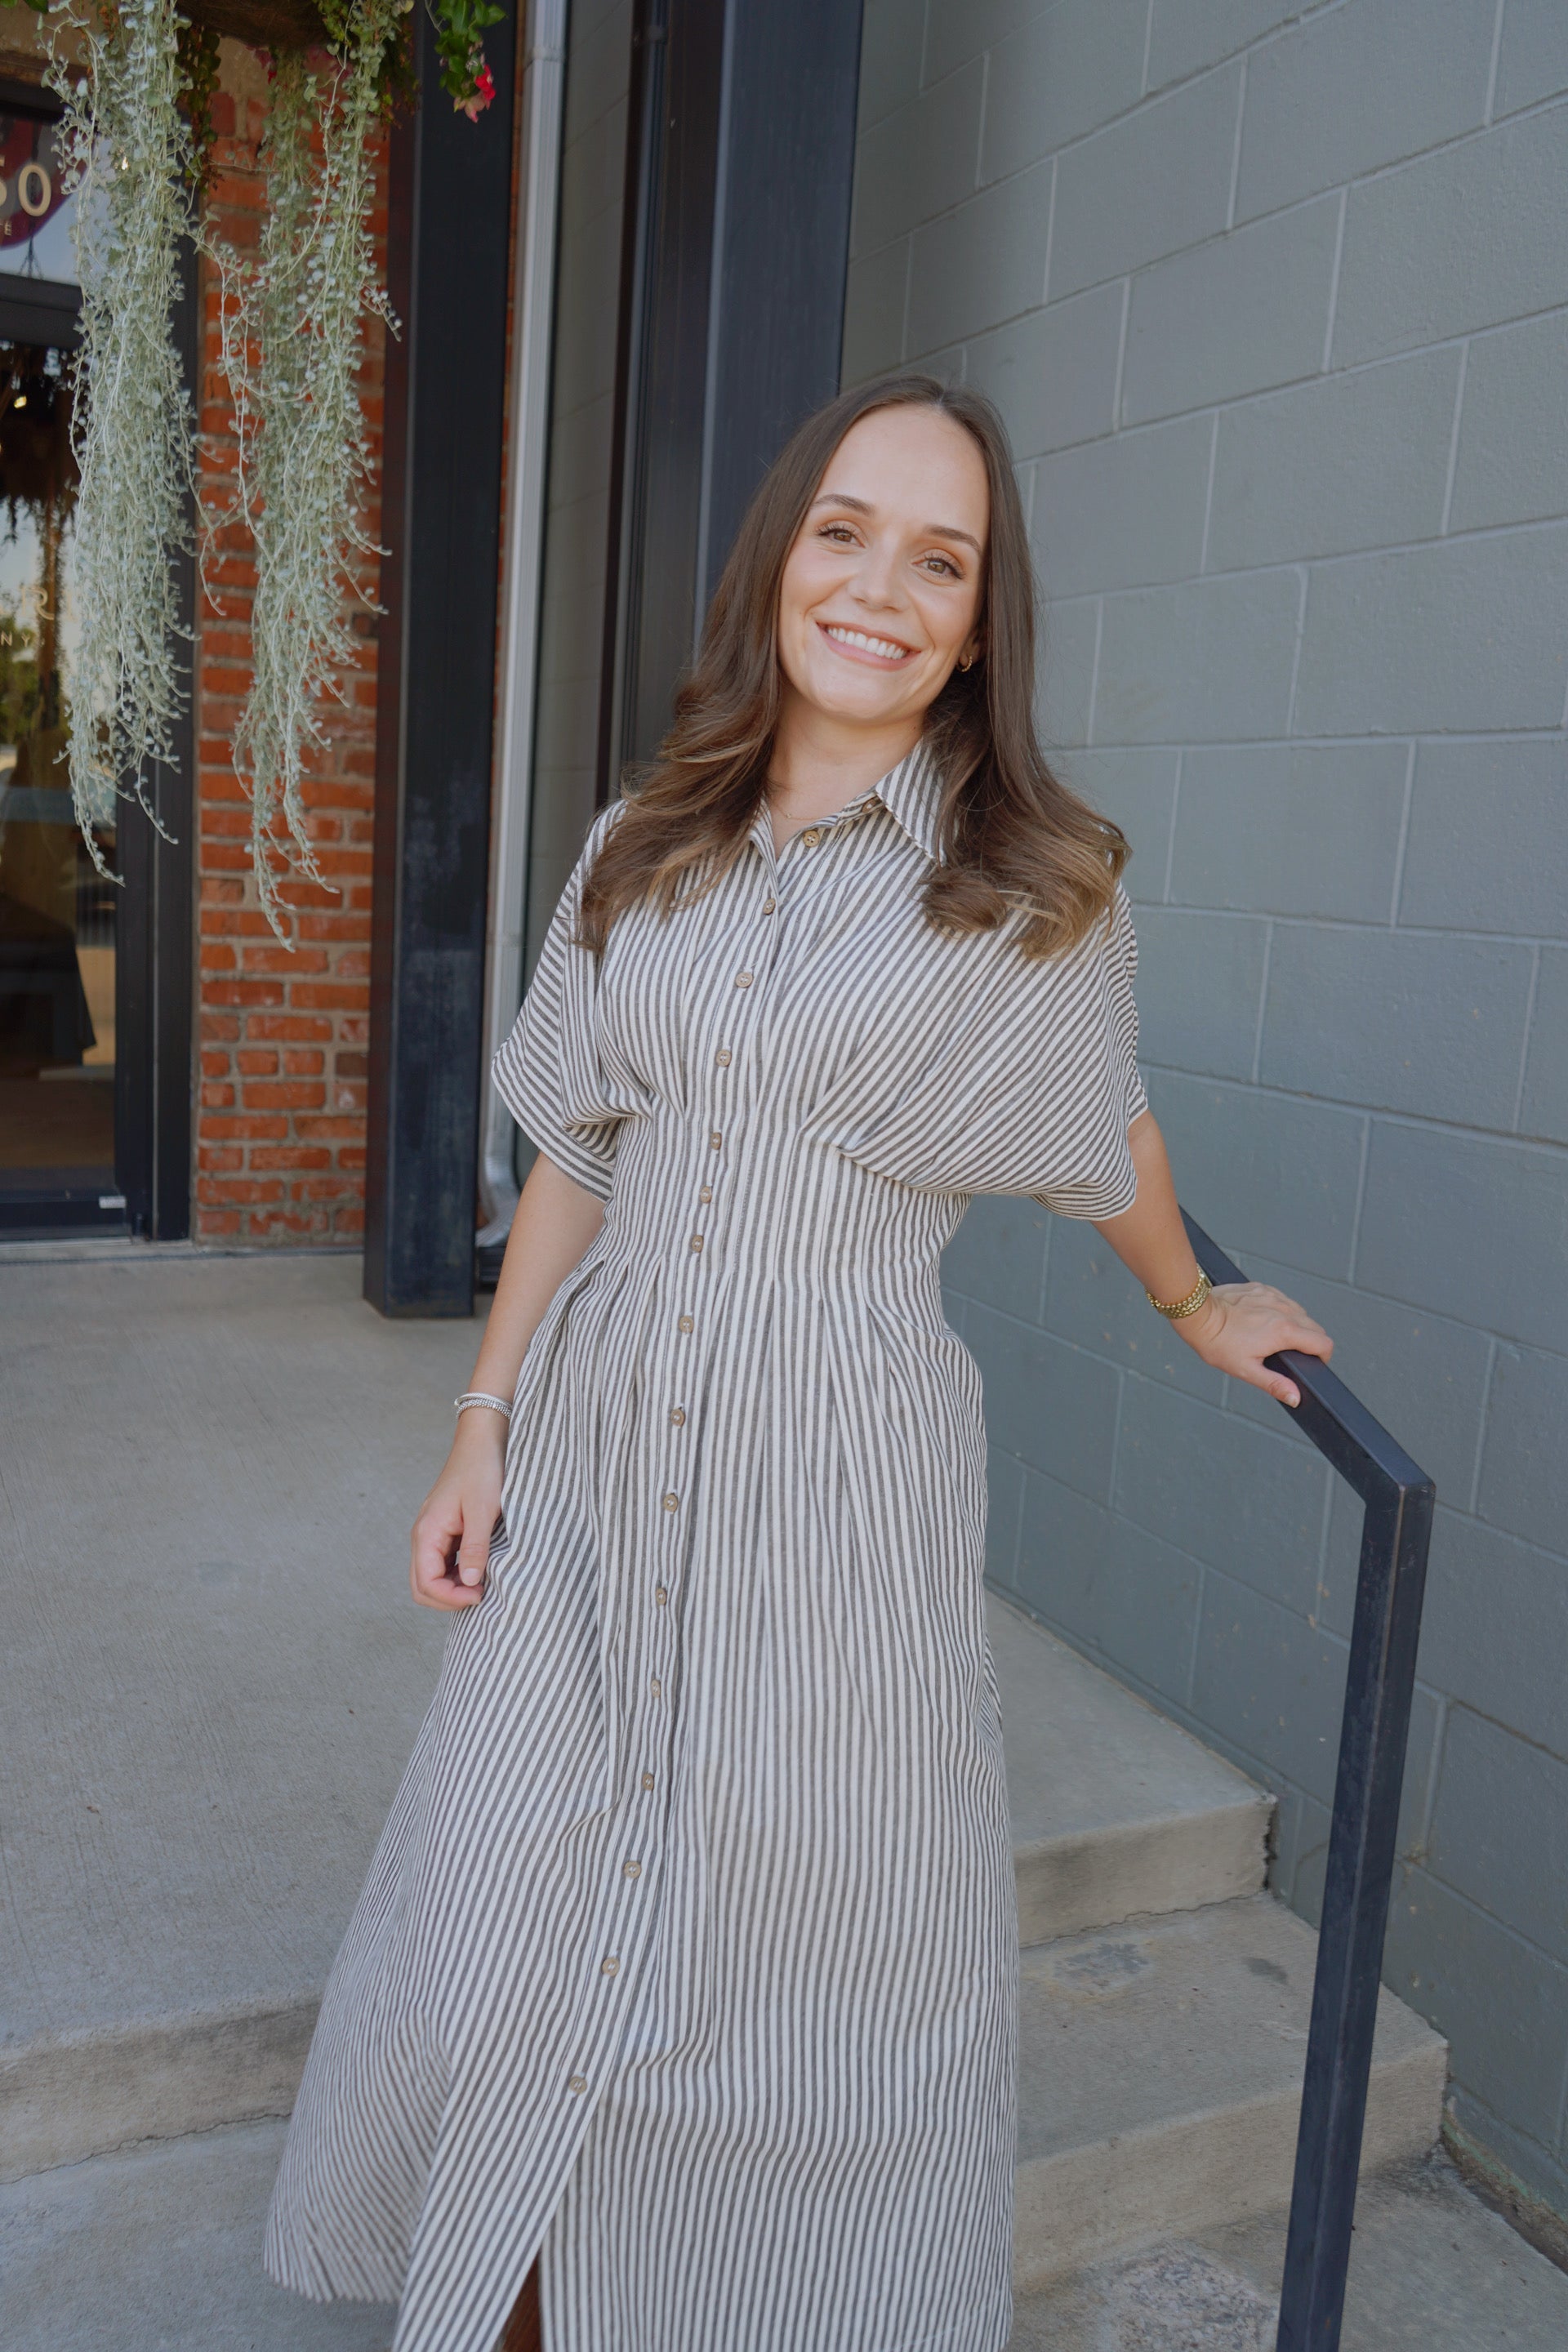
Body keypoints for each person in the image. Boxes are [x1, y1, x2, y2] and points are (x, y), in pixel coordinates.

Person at [265, 375, 1333, 2352]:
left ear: (983, 624)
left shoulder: (1039, 882)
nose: (883, 588)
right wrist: (481, 1419)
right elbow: (582, 1143)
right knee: (505, 1920)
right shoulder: (650, 833)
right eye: (847, 531)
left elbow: (1108, 1137)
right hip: (591, 1456)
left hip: (833, 1481)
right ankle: (509, 2307)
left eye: (945, 561)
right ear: (780, 558)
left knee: (804, 1975)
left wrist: (1198, 1305)